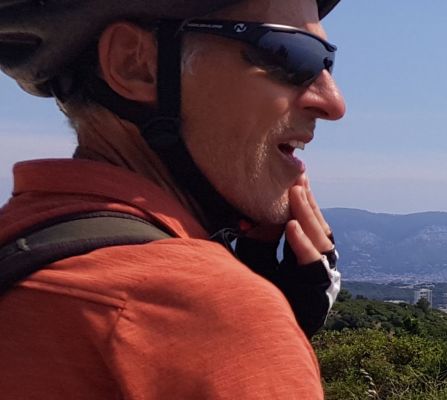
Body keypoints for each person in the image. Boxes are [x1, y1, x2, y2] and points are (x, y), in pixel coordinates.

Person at [0, 0, 346, 398]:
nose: (333, 102)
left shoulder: (22, 250)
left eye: (327, 64)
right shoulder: (208, 315)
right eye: (291, 55)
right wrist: (243, 338)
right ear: (136, 64)